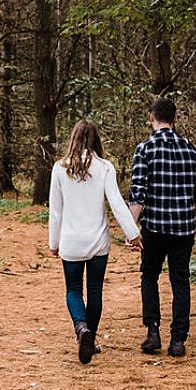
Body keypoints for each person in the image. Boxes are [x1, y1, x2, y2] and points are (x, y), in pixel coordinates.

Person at [49, 119, 141, 365]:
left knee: (73, 289)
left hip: (71, 241)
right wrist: (133, 233)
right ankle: (91, 337)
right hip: (98, 242)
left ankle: (81, 329)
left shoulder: (60, 168)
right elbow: (117, 203)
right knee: (95, 291)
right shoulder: (105, 168)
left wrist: (53, 242)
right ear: (96, 140)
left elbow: (55, 211)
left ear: (73, 139)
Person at [129, 97, 196, 358]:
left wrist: (131, 229)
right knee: (180, 280)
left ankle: (153, 332)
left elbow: (138, 194)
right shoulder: (192, 150)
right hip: (183, 228)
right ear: (174, 119)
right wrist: (195, 220)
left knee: (149, 275)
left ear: (152, 117)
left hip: (154, 227)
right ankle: (178, 340)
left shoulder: (145, 150)